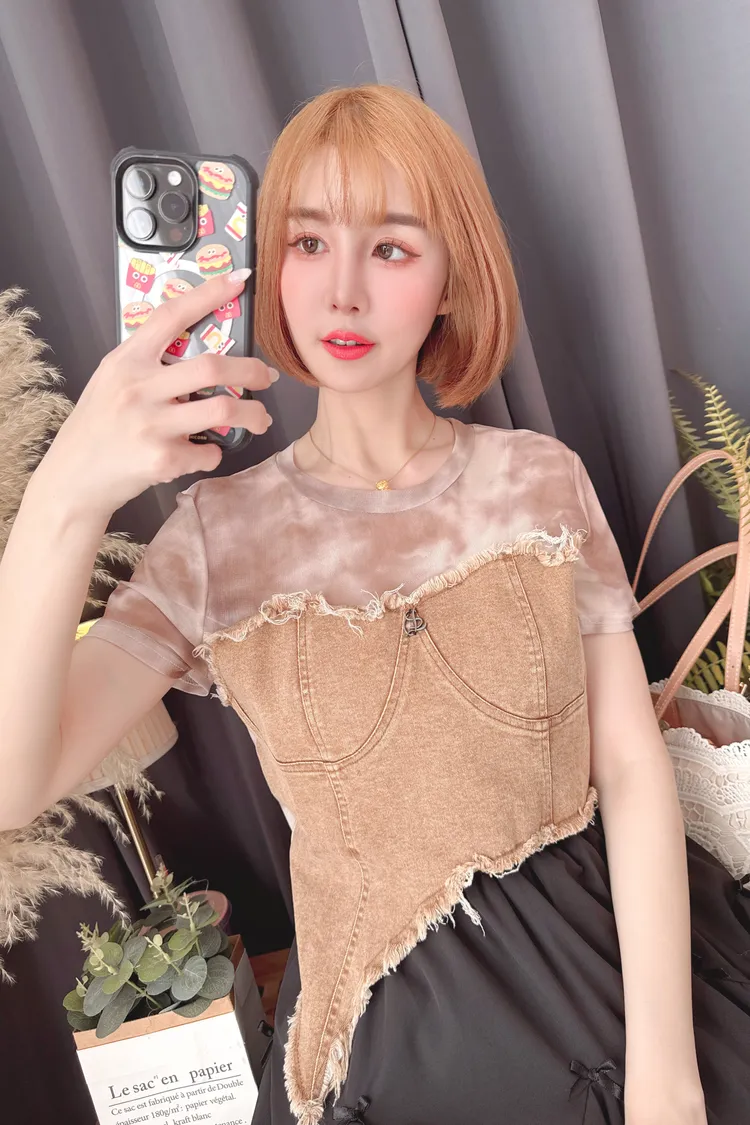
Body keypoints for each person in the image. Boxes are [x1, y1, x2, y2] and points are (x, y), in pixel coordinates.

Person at [0, 84, 747, 1125]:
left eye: (390, 248)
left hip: (603, 967)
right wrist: (67, 496)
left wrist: (668, 1077)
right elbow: (15, 782)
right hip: (385, 1031)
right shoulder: (218, 538)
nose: (342, 292)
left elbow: (627, 765)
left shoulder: (537, 478)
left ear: (450, 279)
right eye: (308, 243)